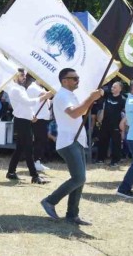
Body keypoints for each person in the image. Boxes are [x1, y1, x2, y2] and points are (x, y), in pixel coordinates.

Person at [40, 68, 103, 226]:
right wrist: (90, 97)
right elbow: (75, 114)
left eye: (77, 78)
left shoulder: (70, 95)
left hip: (76, 140)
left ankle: (72, 215)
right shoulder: (62, 95)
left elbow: (82, 111)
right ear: (64, 81)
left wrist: (91, 99)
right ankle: (49, 201)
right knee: (79, 178)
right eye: (74, 78)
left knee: (80, 179)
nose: (77, 80)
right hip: (68, 141)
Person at [7, 69, 54, 183]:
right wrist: (45, 96)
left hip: (24, 120)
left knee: (20, 148)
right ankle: (35, 176)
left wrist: (31, 115)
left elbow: (24, 106)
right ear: (15, 76)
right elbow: (28, 102)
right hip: (21, 121)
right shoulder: (15, 89)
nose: (24, 77)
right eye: (22, 75)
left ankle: (11, 172)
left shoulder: (20, 88)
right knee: (28, 149)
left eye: (25, 75)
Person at [94, 81, 126, 167]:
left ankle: (115, 161)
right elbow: (100, 91)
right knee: (103, 140)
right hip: (105, 123)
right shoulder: (108, 95)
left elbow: (127, 112)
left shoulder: (122, 100)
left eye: (115, 87)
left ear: (120, 89)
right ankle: (100, 159)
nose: (112, 88)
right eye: (112, 87)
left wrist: (123, 123)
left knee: (116, 143)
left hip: (116, 124)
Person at [27, 74, 52, 171]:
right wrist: (55, 88)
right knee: (39, 140)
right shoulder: (33, 87)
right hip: (37, 118)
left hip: (42, 118)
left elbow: (48, 100)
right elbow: (45, 96)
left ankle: (37, 161)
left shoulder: (40, 88)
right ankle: (35, 161)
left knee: (42, 140)